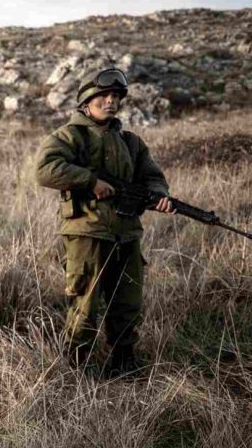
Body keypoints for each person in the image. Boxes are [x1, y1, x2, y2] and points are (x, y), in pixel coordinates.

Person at [33, 67, 175, 374]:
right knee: (84, 304)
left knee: (127, 302)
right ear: (86, 100)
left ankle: (124, 362)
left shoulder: (131, 142)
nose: (111, 101)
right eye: (104, 95)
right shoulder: (70, 136)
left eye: (116, 96)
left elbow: (152, 176)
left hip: (126, 233)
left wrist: (159, 195)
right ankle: (76, 368)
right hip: (88, 232)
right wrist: (90, 181)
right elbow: (45, 170)